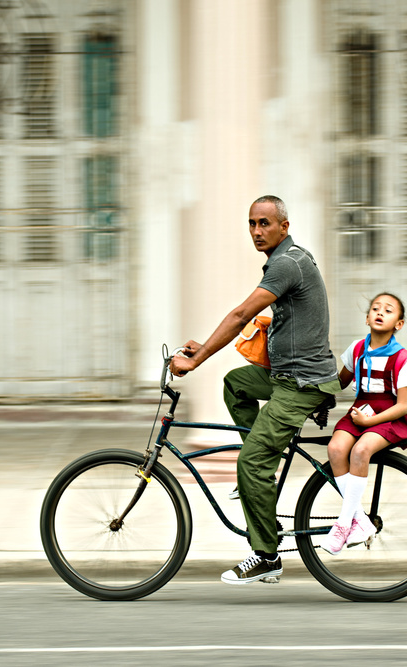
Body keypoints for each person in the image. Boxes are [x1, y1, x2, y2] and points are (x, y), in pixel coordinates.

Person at [170, 195, 340, 585]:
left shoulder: (287, 263)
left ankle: (266, 555)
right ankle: (261, 470)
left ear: (284, 226)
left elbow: (241, 314)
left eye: (265, 223)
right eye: (252, 223)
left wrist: (198, 360)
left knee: (249, 464)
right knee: (237, 384)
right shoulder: (287, 259)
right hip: (286, 375)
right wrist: (205, 345)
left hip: (301, 383)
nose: (257, 231)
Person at [320, 292, 407, 555]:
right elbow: (340, 382)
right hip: (360, 410)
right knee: (336, 449)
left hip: (389, 415)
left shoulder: (403, 359)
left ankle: (343, 524)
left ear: (399, 324)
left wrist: (370, 421)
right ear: (367, 319)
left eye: (388, 310)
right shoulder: (357, 349)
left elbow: (403, 405)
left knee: (361, 450)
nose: (380, 312)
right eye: (375, 308)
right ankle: (361, 521)